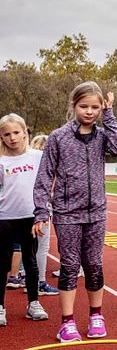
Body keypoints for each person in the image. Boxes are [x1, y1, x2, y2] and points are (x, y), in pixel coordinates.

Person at [33, 81, 117, 342]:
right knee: (70, 266)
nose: (89, 111)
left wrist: (109, 115)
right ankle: (67, 322)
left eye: (95, 107)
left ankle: (96, 316)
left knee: (94, 265)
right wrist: (42, 211)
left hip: (96, 212)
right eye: (84, 106)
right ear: (74, 105)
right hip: (67, 214)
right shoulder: (58, 137)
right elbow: (44, 176)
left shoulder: (102, 136)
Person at [0, 113, 49, 327]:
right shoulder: (1, 160)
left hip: (31, 216)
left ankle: (33, 303)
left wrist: (43, 210)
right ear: (1, 137)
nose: (12, 138)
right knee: (2, 262)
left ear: (25, 132)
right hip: (4, 217)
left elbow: (48, 182)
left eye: (16, 132)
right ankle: (0, 306)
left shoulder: (37, 157)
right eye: (7, 134)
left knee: (31, 261)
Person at [26, 135, 59, 297]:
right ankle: (39, 282)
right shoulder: (45, 161)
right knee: (41, 247)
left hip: (22, 207)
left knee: (25, 247)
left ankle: (25, 277)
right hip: (40, 207)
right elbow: (51, 184)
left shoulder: (27, 159)